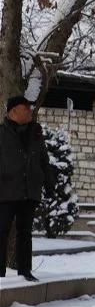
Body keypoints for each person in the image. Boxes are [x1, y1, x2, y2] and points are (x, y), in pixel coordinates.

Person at [0, 95, 54, 281]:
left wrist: (49, 183)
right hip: (5, 191)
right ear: (14, 111)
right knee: (2, 230)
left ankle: (25, 271)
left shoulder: (35, 132)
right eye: (26, 108)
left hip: (29, 190)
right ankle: (0, 273)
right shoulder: (2, 132)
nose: (30, 111)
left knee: (25, 233)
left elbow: (43, 159)